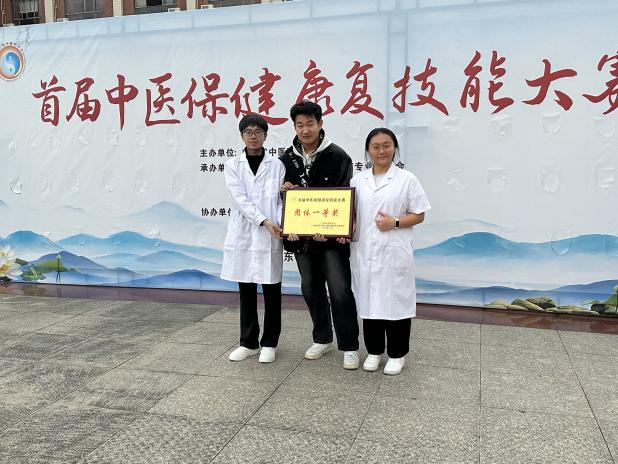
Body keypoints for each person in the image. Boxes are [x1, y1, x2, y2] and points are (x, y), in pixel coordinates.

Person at [280, 100, 360, 369]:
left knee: (340, 290)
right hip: (301, 240)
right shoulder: (286, 159)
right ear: (294, 127)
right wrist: (283, 192)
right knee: (310, 288)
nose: (305, 130)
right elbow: (277, 200)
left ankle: (349, 346)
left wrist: (337, 229)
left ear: (320, 124)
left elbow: (346, 198)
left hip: (331, 241)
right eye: (299, 125)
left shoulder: (338, 156)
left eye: (310, 124)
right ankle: (322, 338)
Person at [349, 128, 430, 375]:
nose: (381, 151)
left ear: (395, 148)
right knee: (369, 301)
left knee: (396, 303)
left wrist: (394, 222)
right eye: (376, 146)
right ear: (368, 150)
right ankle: (374, 351)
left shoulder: (407, 179)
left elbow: (419, 214)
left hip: (394, 252)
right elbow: (351, 215)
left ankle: (397, 354)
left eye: (386, 145)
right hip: (365, 251)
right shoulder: (357, 181)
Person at [220, 114, 286, 364]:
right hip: (245, 234)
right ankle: (248, 342)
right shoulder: (232, 165)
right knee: (246, 290)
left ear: (265, 135)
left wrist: (279, 221)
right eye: (248, 132)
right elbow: (240, 199)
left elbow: (280, 200)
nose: (253, 136)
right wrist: (264, 221)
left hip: (271, 234)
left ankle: (269, 343)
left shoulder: (277, 165)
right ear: (242, 136)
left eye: (258, 131)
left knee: (272, 290)